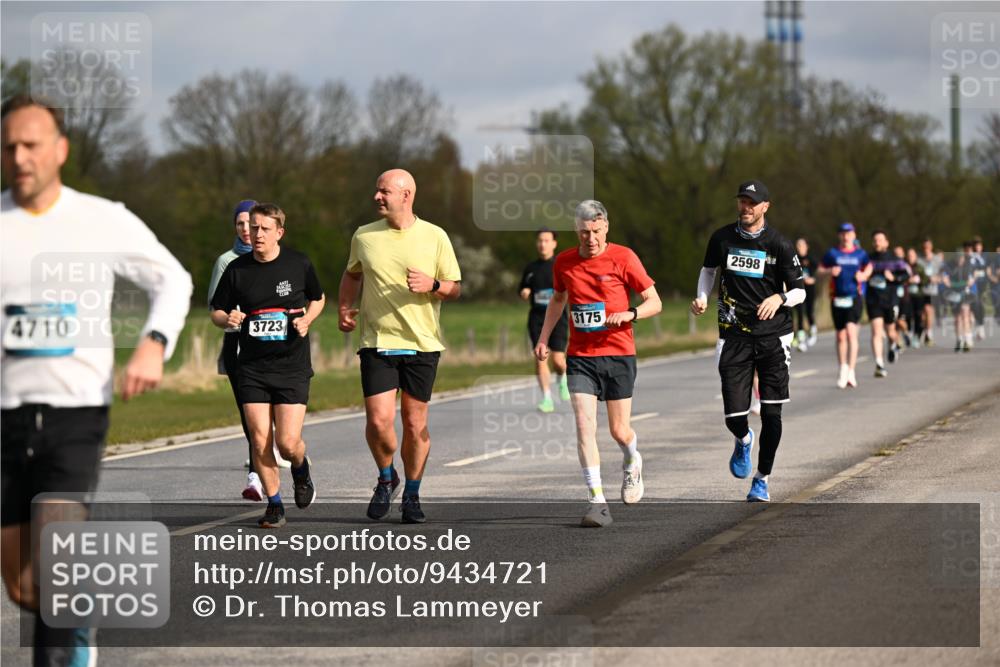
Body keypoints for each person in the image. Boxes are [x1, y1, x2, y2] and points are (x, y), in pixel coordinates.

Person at [1, 95, 192, 666]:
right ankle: (79, 623)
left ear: (60, 150)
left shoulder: (101, 218)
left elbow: (173, 281)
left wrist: (154, 346)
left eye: (31, 144)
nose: (19, 156)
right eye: (9, 145)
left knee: (53, 567)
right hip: (5, 416)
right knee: (21, 586)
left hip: (75, 414)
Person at [338, 169, 461, 525]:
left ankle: (412, 494)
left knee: (414, 421)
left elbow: (455, 288)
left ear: (406, 196)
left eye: (384, 191)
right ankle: (386, 476)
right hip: (377, 341)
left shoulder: (435, 236)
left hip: (421, 343)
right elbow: (352, 274)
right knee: (378, 422)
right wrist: (345, 308)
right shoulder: (364, 236)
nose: (377, 197)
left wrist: (433, 284)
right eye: (376, 190)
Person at [534, 200, 660, 527]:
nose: (590, 238)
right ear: (576, 231)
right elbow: (558, 300)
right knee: (583, 425)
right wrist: (545, 337)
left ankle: (633, 460)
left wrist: (630, 314)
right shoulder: (563, 262)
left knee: (619, 430)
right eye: (583, 232)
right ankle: (597, 501)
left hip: (618, 353)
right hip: (580, 357)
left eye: (595, 231)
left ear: (606, 228)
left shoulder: (624, 257)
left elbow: (654, 302)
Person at [210, 203, 325, 528]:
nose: (256, 234)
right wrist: (227, 318)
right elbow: (216, 311)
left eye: (263, 229)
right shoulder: (237, 269)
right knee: (259, 439)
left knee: (287, 443)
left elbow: (318, 297)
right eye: (253, 227)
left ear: (279, 232)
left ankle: (301, 471)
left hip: (291, 366)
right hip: (252, 367)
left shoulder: (298, 263)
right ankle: (275, 504)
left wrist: (308, 320)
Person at [691, 180, 804, 503]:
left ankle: (762, 479)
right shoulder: (722, 238)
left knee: (771, 413)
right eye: (742, 201)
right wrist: (701, 297)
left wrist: (779, 298)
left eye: (752, 203)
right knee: (734, 416)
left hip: (774, 335)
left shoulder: (779, 244)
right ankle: (743, 440)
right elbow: (708, 271)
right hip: (733, 334)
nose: (746, 207)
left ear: (765, 206)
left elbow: (800, 290)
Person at [208, 199, 291, 504]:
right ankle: (258, 476)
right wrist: (229, 317)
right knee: (252, 419)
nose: (247, 230)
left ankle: (285, 453)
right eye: (241, 224)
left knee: (280, 426)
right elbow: (215, 308)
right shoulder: (227, 262)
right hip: (239, 346)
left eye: (252, 224)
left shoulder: (282, 260)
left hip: (277, 350)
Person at [519, 228, 570, 412]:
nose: (543, 244)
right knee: (540, 357)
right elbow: (523, 287)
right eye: (540, 240)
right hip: (537, 318)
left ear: (554, 243)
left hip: (558, 318)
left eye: (547, 240)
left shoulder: (561, 265)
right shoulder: (531, 268)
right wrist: (524, 291)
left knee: (557, 359)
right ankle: (547, 398)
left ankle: (562, 376)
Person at [817, 223, 871, 389]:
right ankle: (843, 368)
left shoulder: (860, 254)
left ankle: (852, 371)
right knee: (840, 336)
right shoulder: (832, 253)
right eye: (843, 233)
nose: (846, 236)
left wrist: (863, 275)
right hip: (837, 298)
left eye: (849, 233)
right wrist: (829, 272)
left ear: (854, 235)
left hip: (854, 297)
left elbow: (869, 267)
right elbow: (819, 270)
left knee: (851, 332)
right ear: (839, 236)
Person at [865, 230, 910, 378]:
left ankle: (893, 345)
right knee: (876, 331)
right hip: (873, 300)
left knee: (891, 332)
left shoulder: (895, 259)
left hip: (890, 300)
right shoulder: (867, 259)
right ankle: (879, 364)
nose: (877, 242)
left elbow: (906, 275)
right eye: (875, 240)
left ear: (886, 242)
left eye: (880, 240)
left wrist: (894, 278)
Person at [941, 242, 977, 353]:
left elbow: (971, 281)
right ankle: (959, 340)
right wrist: (950, 283)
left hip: (965, 293)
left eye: (961, 258)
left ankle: (967, 339)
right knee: (957, 318)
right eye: (958, 258)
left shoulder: (968, 266)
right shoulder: (950, 267)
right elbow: (945, 279)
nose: (960, 260)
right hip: (954, 294)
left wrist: (959, 284)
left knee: (965, 314)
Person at [916, 238, 944, 346]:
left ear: (931, 247)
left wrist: (937, 278)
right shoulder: (919, 260)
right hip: (920, 290)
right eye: (924, 247)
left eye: (927, 247)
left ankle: (929, 332)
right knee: (922, 314)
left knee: (929, 310)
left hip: (932, 290)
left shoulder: (937, 260)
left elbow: (943, 274)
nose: (926, 249)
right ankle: (923, 329)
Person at [793, 238, 818, 352]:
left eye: (802, 245)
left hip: (810, 289)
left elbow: (818, 271)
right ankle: (801, 340)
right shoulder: (794, 259)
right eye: (798, 245)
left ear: (807, 246)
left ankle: (813, 331)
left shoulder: (811, 258)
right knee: (799, 313)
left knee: (809, 311)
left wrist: (813, 279)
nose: (800, 247)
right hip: (798, 289)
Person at [904, 247, 926, 347]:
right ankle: (908, 333)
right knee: (908, 315)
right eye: (908, 255)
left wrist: (919, 281)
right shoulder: (903, 267)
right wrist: (908, 281)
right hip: (907, 296)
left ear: (915, 256)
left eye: (912, 255)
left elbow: (926, 279)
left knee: (918, 316)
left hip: (918, 295)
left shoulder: (920, 267)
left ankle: (917, 336)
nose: (910, 257)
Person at [970, 236, 989, 341]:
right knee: (975, 305)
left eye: (979, 245)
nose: (978, 247)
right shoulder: (972, 257)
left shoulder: (985, 256)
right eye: (976, 245)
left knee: (981, 306)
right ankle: (977, 326)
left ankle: (980, 327)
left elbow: (989, 268)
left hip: (983, 284)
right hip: (974, 284)